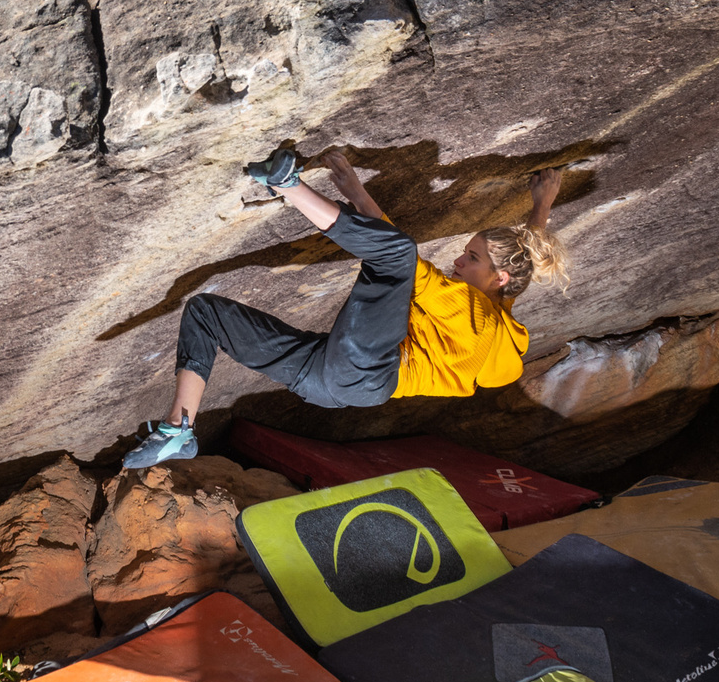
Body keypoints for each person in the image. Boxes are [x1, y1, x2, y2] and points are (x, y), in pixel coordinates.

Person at [123, 146, 567, 468]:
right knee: (205, 312)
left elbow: (400, 258)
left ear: (497, 277)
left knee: (400, 253)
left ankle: (285, 183)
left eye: (471, 257)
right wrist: (541, 206)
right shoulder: (498, 326)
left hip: (367, 368)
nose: (458, 261)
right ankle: (178, 430)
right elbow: (514, 267)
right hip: (330, 384)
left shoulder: (471, 308)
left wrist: (359, 196)